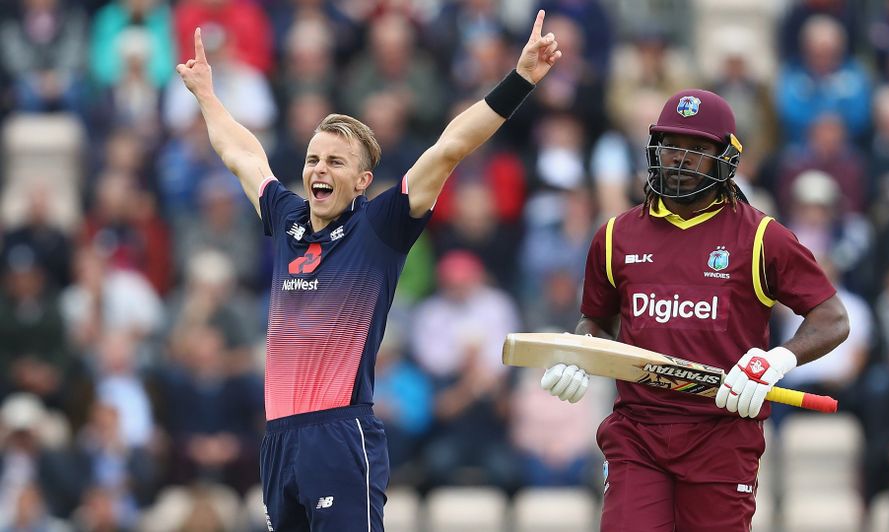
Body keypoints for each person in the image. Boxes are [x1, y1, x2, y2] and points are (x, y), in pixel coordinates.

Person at [174, 11, 562, 531]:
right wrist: (206, 95)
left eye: (335, 162)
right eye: (314, 159)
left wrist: (520, 80)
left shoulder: (380, 227)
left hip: (338, 434)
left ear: (362, 181)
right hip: (280, 438)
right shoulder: (287, 217)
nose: (319, 170)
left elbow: (449, 148)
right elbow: (242, 153)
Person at [539, 89, 850, 531]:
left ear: (725, 158)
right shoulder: (614, 236)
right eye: (671, 145)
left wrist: (777, 359)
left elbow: (832, 317)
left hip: (723, 434)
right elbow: (595, 322)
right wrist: (581, 357)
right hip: (638, 432)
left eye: (697, 149)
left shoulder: (763, 236)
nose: (680, 159)